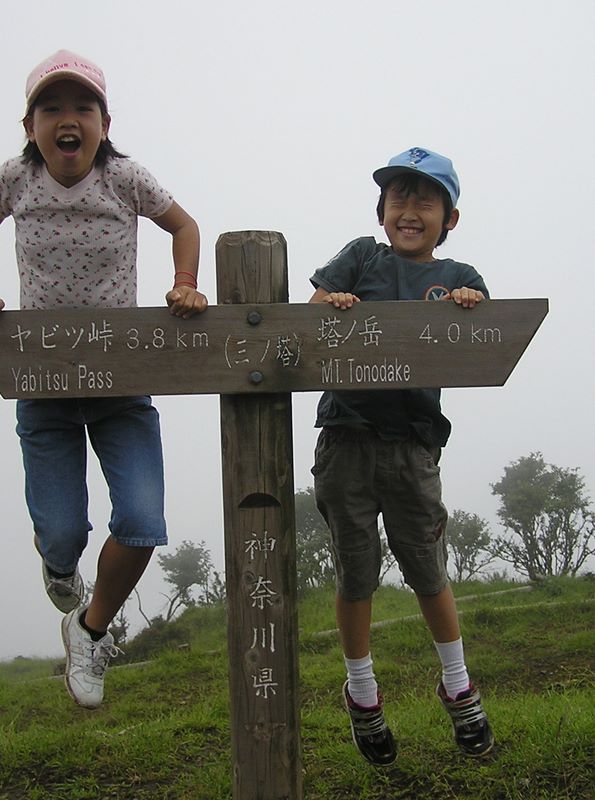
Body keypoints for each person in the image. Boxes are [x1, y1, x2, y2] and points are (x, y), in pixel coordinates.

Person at [0, 50, 207, 709]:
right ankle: (61, 569)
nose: (67, 120)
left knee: (143, 521)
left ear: (103, 121)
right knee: (64, 535)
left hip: (120, 382)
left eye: (81, 108)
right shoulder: (15, 179)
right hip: (45, 385)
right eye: (52, 109)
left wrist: (184, 283)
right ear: (31, 124)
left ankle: (89, 630)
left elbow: (183, 225)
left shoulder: (124, 177)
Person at [309, 147, 494, 764]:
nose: (409, 210)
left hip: (414, 448)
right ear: (381, 210)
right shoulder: (362, 255)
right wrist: (332, 306)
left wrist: (469, 307)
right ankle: (362, 695)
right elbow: (310, 321)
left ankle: (459, 684)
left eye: (426, 200)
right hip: (346, 440)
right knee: (355, 573)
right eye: (399, 198)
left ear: (450, 218)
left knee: (428, 569)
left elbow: (482, 333)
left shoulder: (461, 273)